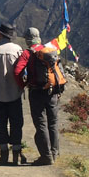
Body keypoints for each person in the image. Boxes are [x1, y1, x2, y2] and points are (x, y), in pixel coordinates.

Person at [14, 27, 60, 166]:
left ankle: (46, 157)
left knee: (41, 124)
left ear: (27, 39)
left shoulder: (28, 53)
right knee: (53, 123)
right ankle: (55, 153)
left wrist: (23, 84)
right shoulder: (50, 50)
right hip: (53, 90)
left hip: (36, 91)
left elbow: (17, 71)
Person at [0, 23, 25, 165]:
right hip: (14, 93)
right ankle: (16, 152)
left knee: (0, 123)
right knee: (16, 123)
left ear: (0, 34)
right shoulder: (18, 49)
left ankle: (3, 153)